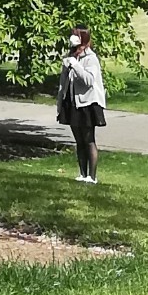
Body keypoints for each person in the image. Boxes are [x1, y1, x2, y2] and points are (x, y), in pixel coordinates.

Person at [58, 26, 106, 182]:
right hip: (72, 102)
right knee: (79, 140)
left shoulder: (90, 58)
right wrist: (60, 104)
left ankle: (92, 176)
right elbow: (63, 83)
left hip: (87, 104)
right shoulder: (71, 56)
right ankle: (82, 173)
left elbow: (88, 81)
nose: (72, 38)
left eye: (76, 36)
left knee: (88, 139)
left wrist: (75, 65)